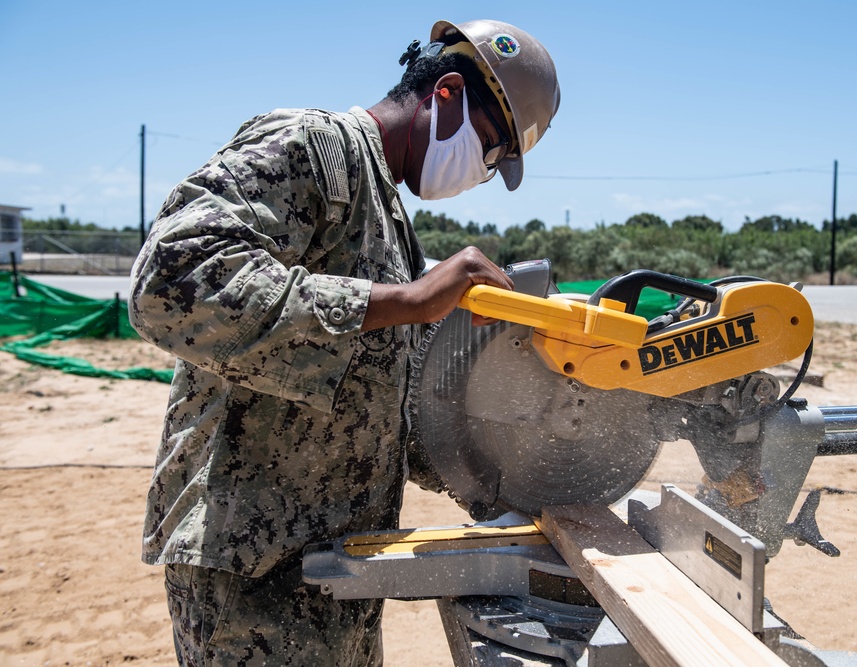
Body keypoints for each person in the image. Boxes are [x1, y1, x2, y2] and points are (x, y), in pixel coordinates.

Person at [128, 18, 560, 666]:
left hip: (333, 584)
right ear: (445, 96)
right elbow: (170, 278)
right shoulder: (314, 145)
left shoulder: (389, 223)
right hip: (252, 586)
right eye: (492, 149)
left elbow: (393, 413)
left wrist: (508, 465)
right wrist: (407, 301)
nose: (485, 173)